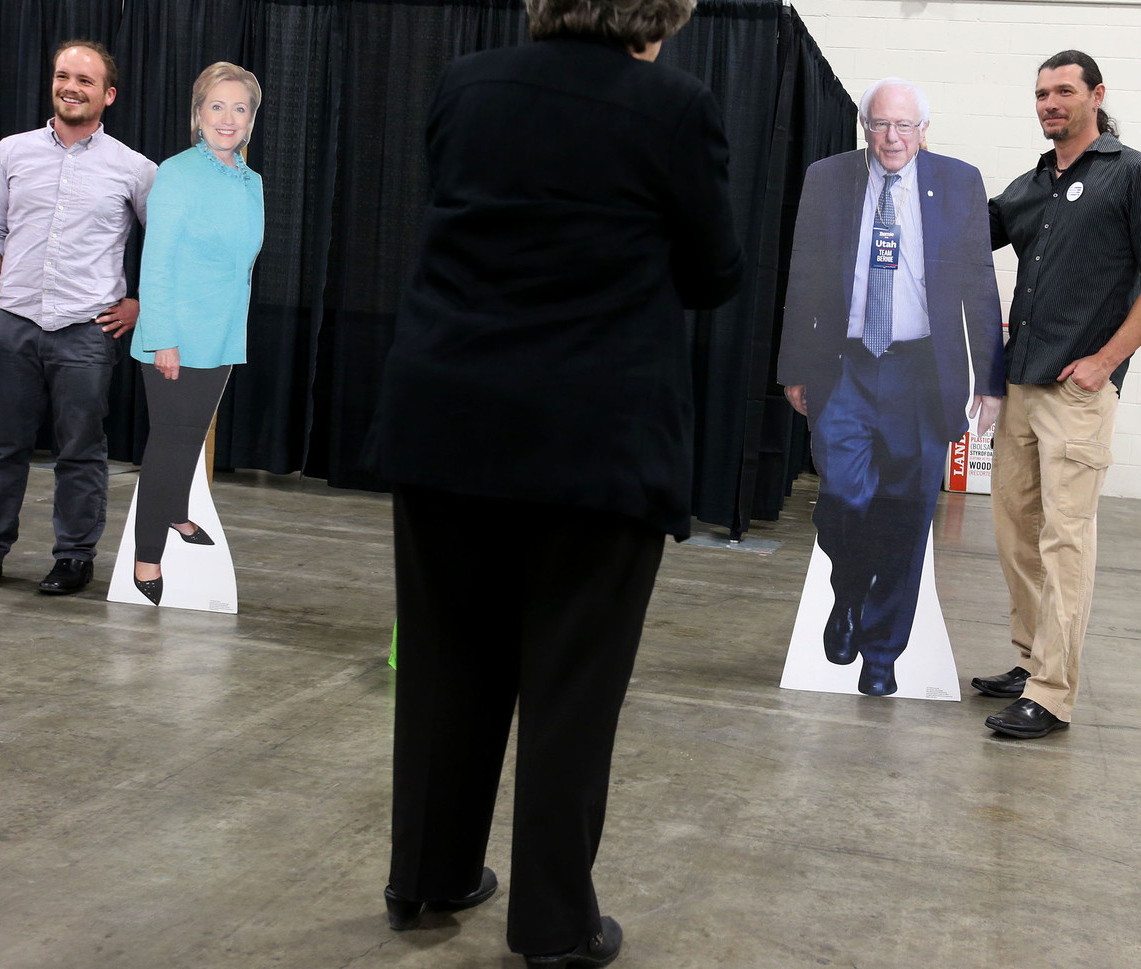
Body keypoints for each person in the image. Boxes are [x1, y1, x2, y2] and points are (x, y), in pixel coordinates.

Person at [364, 0, 743, 963]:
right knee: (571, 687)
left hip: (449, 418)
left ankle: (430, 876)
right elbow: (713, 273)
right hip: (593, 436)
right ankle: (553, 926)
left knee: (449, 663)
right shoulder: (676, 107)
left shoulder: (464, 84)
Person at [976, 51, 1141, 738]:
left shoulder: (1133, 174)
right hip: (1020, 385)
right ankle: (1032, 658)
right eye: (1040, 93)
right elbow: (974, 233)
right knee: (1015, 536)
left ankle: (1053, 691)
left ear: (1096, 95)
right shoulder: (1033, 183)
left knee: (1065, 540)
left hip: (1075, 393)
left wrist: (1107, 359)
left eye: (1064, 90)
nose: (1050, 103)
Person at [777, 78, 1005, 697]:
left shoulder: (958, 182)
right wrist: (795, 365)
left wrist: (991, 379)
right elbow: (800, 273)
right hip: (846, 365)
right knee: (844, 498)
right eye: (880, 125)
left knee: (907, 520)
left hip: (921, 373)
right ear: (864, 127)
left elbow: (981, 284)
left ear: (924, 131)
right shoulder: (829, 177)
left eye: (904, 126)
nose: (892, 138)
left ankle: (881, 656)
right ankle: (848, 591)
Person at [0, 40, 156, 596]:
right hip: (12, 325)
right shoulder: (10, 154)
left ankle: (73, 557)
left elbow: (167, 246)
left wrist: (141, 304)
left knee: (81, 451)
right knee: (1, 446)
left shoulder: (135, 169)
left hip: (86, 333)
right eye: (64, 76)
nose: (72, 86)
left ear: (107, 95)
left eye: (86, 80)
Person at [128, 62, 264, 606]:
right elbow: (155, 263)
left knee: (187, 434)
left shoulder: (250, 181)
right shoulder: (178, 173)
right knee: (171, 442)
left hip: (222, 334)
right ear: (197, 114)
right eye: (217, 106)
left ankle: (179, 514)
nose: (227, 118)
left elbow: (240, 265)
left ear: (252, 120)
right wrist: (163, 335)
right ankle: (147, 560)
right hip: (175, 336)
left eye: (240, 108)